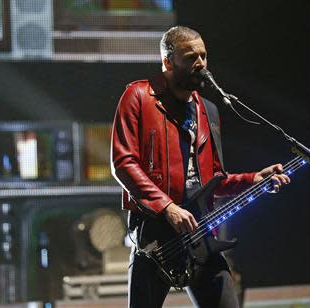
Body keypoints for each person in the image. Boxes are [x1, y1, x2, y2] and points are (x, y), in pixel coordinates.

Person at [111, 26, 290, 308]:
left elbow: (214, 181)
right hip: (155, 238)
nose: (201, 64)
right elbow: (123, 163)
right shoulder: (138, 97)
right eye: (191, 57)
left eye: (204, 56)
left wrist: (254, 179)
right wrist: (167, 207)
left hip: (201, 232)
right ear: (168, 61)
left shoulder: (208, 109)